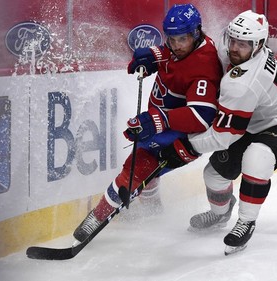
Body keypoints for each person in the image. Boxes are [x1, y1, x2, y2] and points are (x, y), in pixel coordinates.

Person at [159, 10, 277, 255]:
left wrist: (186, 146)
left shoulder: (244, 82)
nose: (234, 48)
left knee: (257, 156)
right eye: (232, 40)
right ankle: (219, 214)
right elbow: (196, 47)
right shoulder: (233, 53)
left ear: (259, 45)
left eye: (242, 44)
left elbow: (224, 136)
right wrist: (156, 55)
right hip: (257, 120)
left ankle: (246, 221)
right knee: (214, 175)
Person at [72, 3, 223, 242]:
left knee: (135, 169)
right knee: (145, 167)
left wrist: (159, 119)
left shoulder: (203, 67)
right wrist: (155, 56)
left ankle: (96, 218)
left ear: (195, 33)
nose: (175, 45)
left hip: (181, 136)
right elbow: (172, 55)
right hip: (163, 125)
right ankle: (152, 210)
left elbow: (201, 116)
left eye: (181, 39)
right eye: (170, 39)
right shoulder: (188, 46)